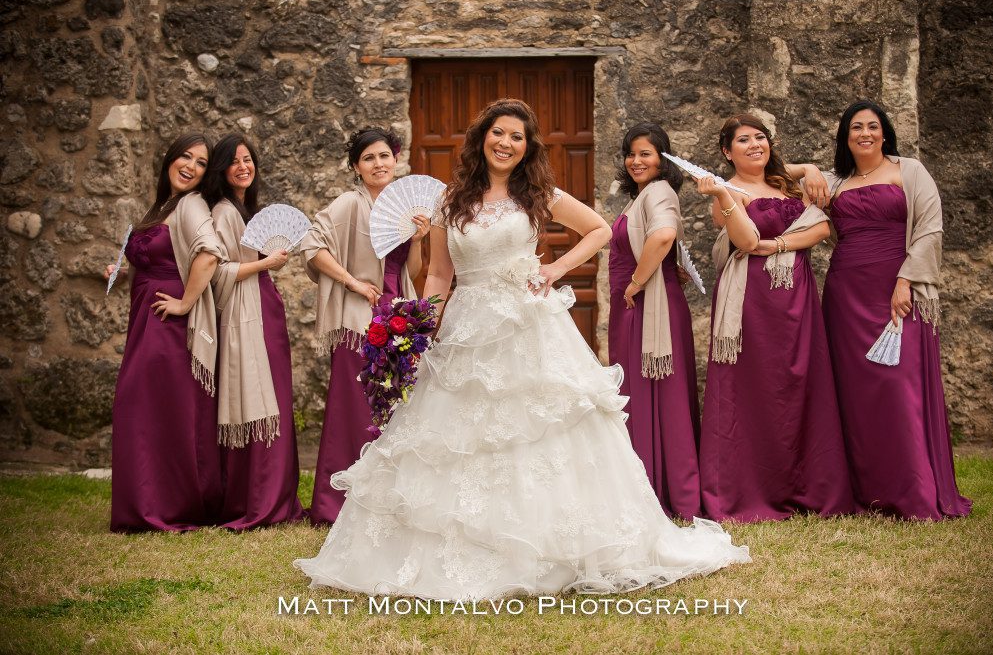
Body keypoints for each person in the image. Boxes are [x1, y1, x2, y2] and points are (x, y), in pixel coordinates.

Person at [295, 99, 750, 599]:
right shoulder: (452, 201)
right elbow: (442, 275)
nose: (506, 143)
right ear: (482, 137)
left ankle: (555, 545)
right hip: (468, 325)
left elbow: (598, 230)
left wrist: (556, 268)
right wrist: (419, 324)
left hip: (529, 324)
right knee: (458, 436)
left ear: (527, 146)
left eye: (517, 136)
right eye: (498, 133)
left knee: (540, 430)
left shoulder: (537, 193)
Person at [696, 113, 855, 522]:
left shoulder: (786, 183)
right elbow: (747, 241)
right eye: (743, 140)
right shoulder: (725, 193)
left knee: (800, 382)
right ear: (726, 153)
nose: (754, 145)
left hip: (797, 294)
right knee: (755, 387)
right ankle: (748, 488)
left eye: (760, 137)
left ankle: (807, 485)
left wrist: (780, 242)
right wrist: (726, 198)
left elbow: (820, 230)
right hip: (753, 299)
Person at [820, 100, 971, 520]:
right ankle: (867, 492)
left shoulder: (910, 170)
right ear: (845, 138)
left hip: (898, 289)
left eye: (872, 126)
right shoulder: (834, 181)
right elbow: (798, 190)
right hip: (846, 293)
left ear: (885, 132)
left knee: (898, 387)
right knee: (855, 395)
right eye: (855, 128)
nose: (864, 134)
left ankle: (914, 493)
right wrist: (810, 172)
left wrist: (906, 280)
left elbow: (930, 227)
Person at [301, 127, 428, 526]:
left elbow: (415, 272)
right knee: (353, 409)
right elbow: (311, 245)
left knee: (395, 410)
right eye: (369, 158)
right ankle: (338, 502)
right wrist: (353, 282)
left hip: (398, 317)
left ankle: (387, 501)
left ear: (396, 160)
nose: (379, 164)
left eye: (385, 156)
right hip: (360, 320)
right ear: (357, 167)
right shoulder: (348, 205)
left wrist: (421, 239)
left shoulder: (406, 209)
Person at [107, 132, 224, 532]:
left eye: (201, 163)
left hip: (168, 323)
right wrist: (122, 269)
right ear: (170, 159)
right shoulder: (162, 206)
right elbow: (153, 254)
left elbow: (209, 254)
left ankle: (165, 506)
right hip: (144, 319)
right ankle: (146, 502)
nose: (190, 166)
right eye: (185, 157)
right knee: (148, 409)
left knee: (152, 408)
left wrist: (185, 303)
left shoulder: (191, 205)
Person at [202, 133, 305, 530]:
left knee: (275, 399)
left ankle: (278, 498)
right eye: (235, 161)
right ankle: (258, 501)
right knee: (256, 398)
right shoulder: (224, 213)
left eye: (249, 159)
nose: (244, 166)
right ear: (222, 169)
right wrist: (266, 264)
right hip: (247, 315)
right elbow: (217, 270)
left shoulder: (245, 210)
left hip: (265, 311)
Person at [608, 122, 701, 518]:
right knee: (642, 391)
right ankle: (649, 484)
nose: (635, 160)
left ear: (663, 159)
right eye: (631, 153)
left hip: (644, 304)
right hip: (636, 302)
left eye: (645, 153)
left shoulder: (660, 190)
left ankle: (666, 490)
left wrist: (635, 282)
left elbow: (663, 235)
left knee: (653, 392)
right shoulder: (644, 195)